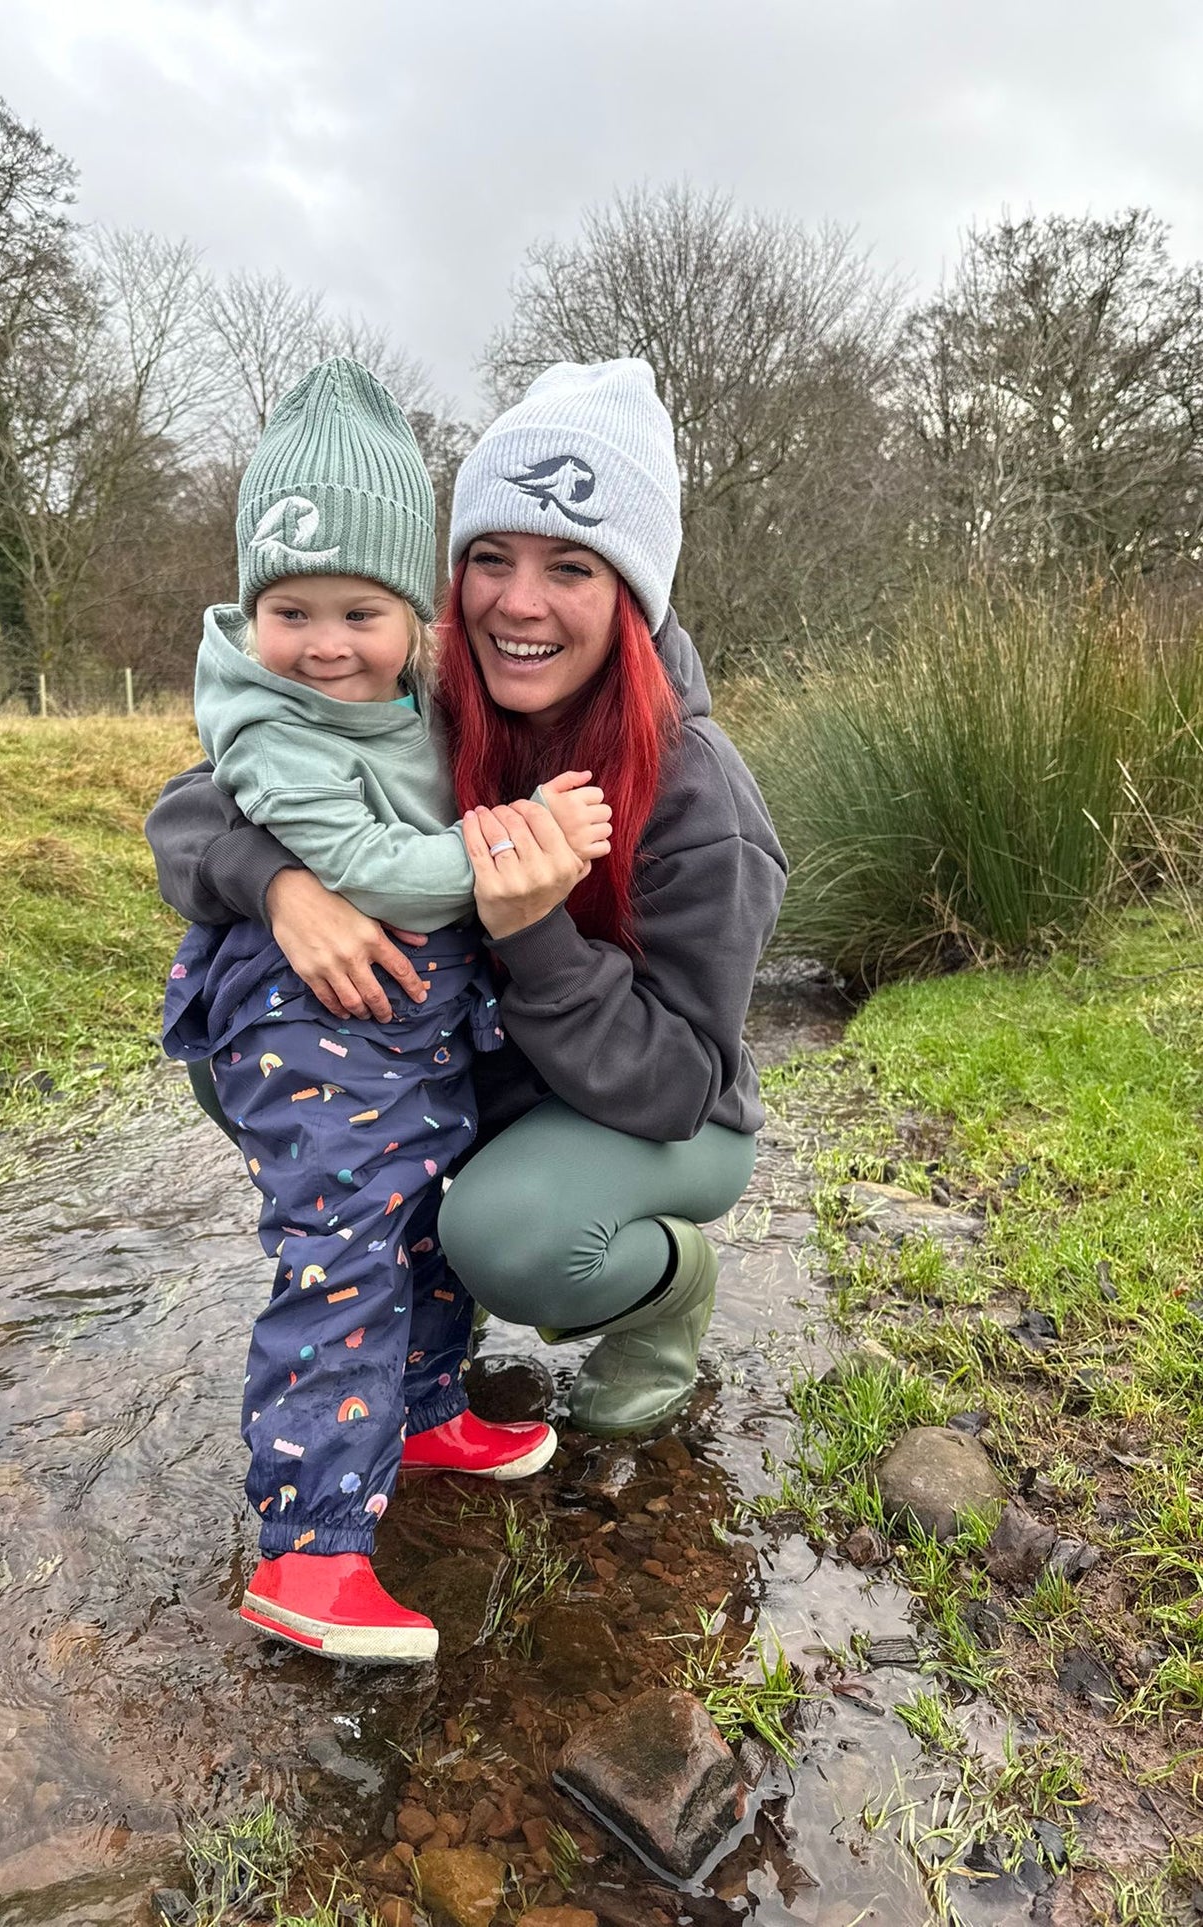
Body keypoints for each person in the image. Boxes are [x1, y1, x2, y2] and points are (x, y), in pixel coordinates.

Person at [147, 355, 786, 1593]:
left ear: (633, 595)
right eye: (491, 557)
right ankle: (426, 1392)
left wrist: (534, 926)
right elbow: (191, 804)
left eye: (570, 567)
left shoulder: (703, 799)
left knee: (501, 1232)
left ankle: (662, 1290)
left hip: (666, 1107)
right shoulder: (428, 686)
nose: (519, 602)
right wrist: (286, 889)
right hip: (493, 1053)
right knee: (263, 1060)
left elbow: (676, 1077)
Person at [161, 358, 614, 1665]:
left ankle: (418, 1416)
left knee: (425, 1228)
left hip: (402, 1035)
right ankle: (310, 1549)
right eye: (290, 608)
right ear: (251, 616)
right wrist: (518, 843)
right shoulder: (276, 728)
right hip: (304, 1033)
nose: (324, 641)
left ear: (414, 617)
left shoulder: (401, 707)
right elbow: (374, 868)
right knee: (343, 1256)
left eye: (360, 607)